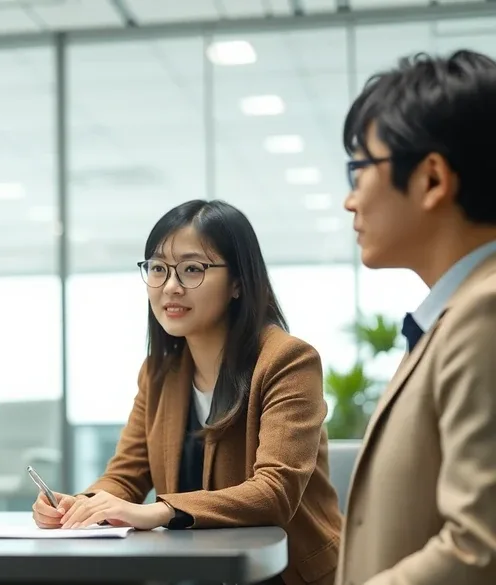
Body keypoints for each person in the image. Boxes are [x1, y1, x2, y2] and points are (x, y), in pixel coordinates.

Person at [31, 200, 342, 585]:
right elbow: (126, 477)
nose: (171, 287)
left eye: (192, 269)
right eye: (158, 269)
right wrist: (82, 505)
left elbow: (274, 493)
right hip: (198, 572)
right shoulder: (159, 374)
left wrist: (159, 511)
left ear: (238, 283)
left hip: (284, 574)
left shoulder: (288, 360)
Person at [336, 50, 496, 585]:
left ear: (431, 179)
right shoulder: (458, 312)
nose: (349, 200)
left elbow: (480, 549)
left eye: (360, 169)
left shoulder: (484, 314)